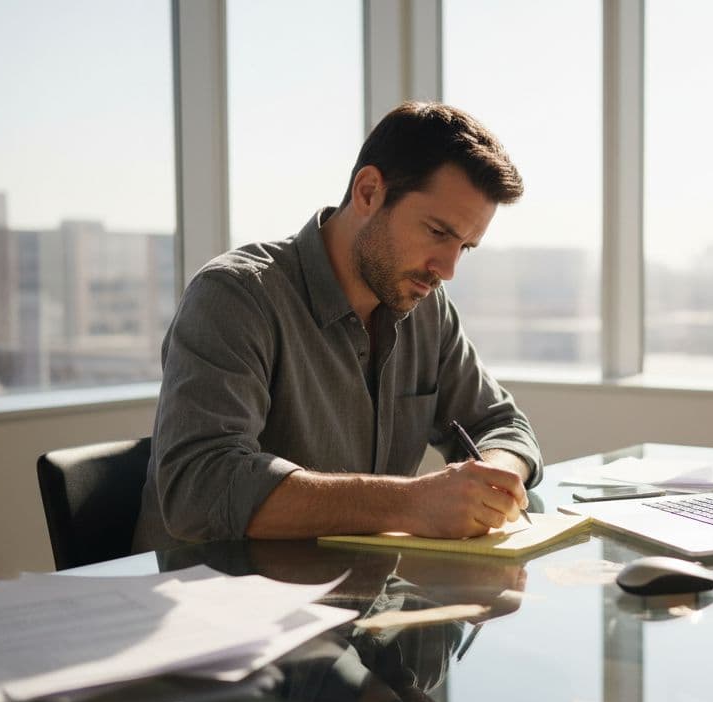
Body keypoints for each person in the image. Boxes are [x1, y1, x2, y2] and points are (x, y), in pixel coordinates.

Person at [133, 102, 542, 552]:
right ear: (368, 192)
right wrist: (411, 503)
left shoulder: (426, 307)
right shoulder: (235, 296)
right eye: (438, 232)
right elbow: (201, 487)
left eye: (466, 247)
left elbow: (502, 424)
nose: (447, 269)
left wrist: (495, 478)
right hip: (214, 604)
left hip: (356, 602)